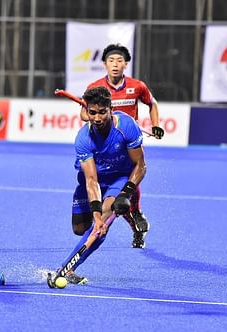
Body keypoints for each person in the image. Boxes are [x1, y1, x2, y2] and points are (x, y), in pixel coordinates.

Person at [80, 43, 163, 249]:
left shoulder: (137, 86)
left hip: (127, 144)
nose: (115, 65)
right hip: (103, 145)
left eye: (119, 61)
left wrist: (156, 125)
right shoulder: (95, 88)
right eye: (111, 61)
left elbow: (152, 104)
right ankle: (129, 215)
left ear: (126, 64)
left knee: (127, 188)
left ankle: (132, 214)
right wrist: (92, 117)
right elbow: (83, 113)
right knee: (106, 190)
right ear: (105, 64)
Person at [62, 86, 146, 284]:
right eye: (92, 113)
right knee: (80, 228)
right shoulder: (83, 138)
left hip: (118, 178)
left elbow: (140, 165)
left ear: (110, 109)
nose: (97, 118)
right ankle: (94, 225)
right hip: (90, 180)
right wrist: (96, 215)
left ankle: (67, 268)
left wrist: (126, 193)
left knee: (100, 227)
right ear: (86, 112)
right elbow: (91, 181)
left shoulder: (126, 127)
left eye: (102, 112)